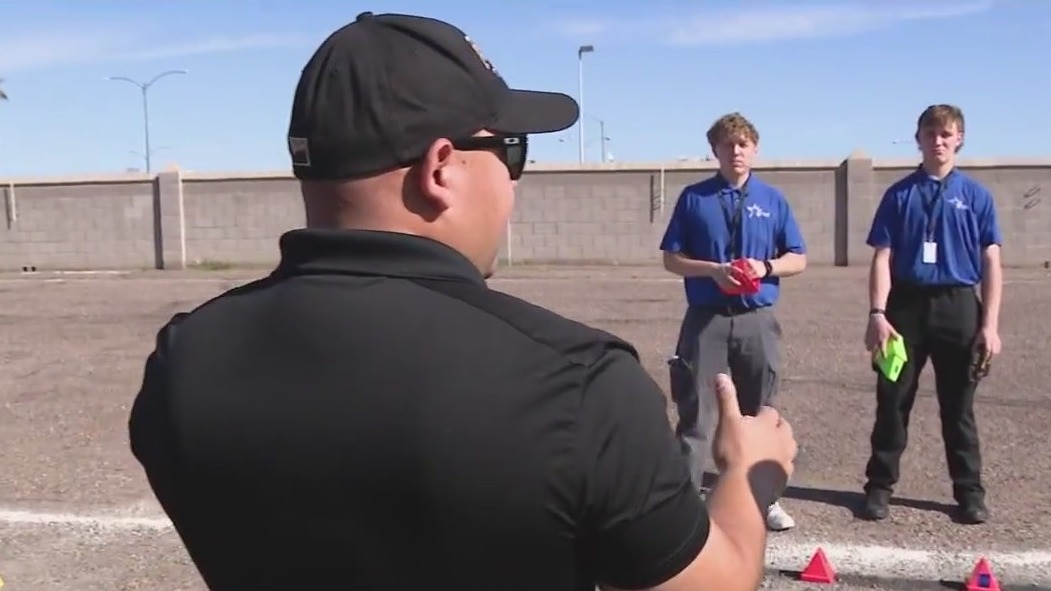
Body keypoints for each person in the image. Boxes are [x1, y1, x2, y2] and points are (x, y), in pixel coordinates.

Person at [127, 12, 799, 591]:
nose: (513, 183)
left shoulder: (183, 365)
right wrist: (747, 476)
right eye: (510, 150)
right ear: (441, 167)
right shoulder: (577, 384)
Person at [660, 112, 808, 533]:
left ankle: (763, 498)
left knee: (759, 411)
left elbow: (798, 258)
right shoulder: (694, 199)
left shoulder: (773, 200)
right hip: (706, 318)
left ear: (755, 149)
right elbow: (672, 259)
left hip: (756, 318)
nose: (736, 151)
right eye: (728, 145)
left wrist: (765, 266)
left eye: (743, 144)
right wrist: (712, 270)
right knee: (697, 414)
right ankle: (686, 504)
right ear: (716, 151)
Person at [860, 103, 1002, 524]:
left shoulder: (976, 196)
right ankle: (879, 487)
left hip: (959, 306)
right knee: (892, 401)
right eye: (930, 134)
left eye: (946, 134)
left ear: (959, 138)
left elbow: (991, 260)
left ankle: (969, 493)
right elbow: (882, 257)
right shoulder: (899, 194)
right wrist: (877, 313)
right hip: (905, 308)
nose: (938, 142)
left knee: (958, 407)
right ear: (918, 139)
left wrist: (989, 325)